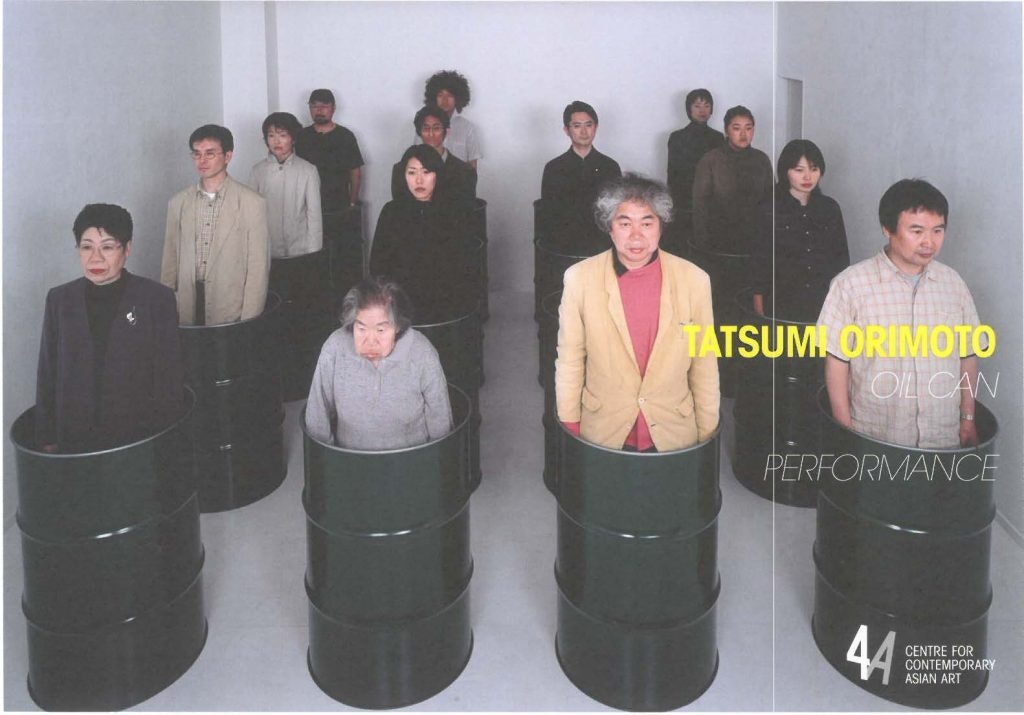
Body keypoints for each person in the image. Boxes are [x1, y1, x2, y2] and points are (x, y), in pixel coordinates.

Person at [555, 174, 720, 451]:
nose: (636, 236)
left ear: (660, 227)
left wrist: (707, 432)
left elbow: (704, 362)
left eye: (647, 223)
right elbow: (570, 359)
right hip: (602, 432)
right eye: (625, 223)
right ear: (610, 228)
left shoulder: (695, 280)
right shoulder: (579, 279)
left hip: (674, 433)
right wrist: (570, 425)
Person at [818, 179, 984, 449]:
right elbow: (836, 362)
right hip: (876, 434)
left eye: (937, 230)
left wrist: (967, 419)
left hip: (941, 436)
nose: (928, 242)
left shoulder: (953, 285)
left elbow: (968, 355)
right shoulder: (850, 285)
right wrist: (845, 430)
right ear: (887, 228)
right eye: (916, 231)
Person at [36, 204, 184, 453]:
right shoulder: (60, 300)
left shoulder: (156, 298)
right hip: (75, 436)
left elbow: (169, 381)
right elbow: (48, 374)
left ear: (127, 249)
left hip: (137, 437)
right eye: (86, 247)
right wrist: (47, 437)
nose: (96, 258)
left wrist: (163, 445)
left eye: (107, 246)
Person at [305, 277, 453, 450]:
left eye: (381, 330)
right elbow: (317, 415)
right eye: (361, 329)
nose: (370, 341)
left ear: (397, 326)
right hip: (350, 463)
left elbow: (440, 420)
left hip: (411, 464)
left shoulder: (422, 354)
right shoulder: (335, 348)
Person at [161, 124, 269, 325]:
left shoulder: (252, 203)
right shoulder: (178, 203)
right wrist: (168, 307)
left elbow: (258, 269)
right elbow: (170, 263)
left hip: (231, 304)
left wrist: (248, 320)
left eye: (210, 154)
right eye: (196, 154)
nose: (202, 160)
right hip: (186, 302)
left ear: (227, 156)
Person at [370, 145, 478, 322]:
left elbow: (465, 265)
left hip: (446, 303)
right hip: (401, 303)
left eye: (426, 172)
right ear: (403, 175)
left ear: (438, 174)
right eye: (412, 173)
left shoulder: (454, 211)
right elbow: (378, 264)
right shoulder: (392, 212)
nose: (418, 180)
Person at [751, 139, 849, 322]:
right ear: (785, 171)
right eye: (799, 170)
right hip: (782, 302)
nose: (808, 177)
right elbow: (759, 262)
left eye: (814, 169)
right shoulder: (767, 208)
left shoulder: (830, 208)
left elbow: (841, 261)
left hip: (824, 302)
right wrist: (759, 307)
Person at [540, 100, 622, 252]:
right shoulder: (554, 168)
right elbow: (548, 216)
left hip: (602, 244)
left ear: (596, 128)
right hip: (564, 245)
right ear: (566, 130)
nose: (584, 132)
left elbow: (617, 213)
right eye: (577, 126)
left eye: (588, 125)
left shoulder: (610, 167)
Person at [692, 105, 773, 253]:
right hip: (719, 239)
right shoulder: (711, 159)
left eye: (748, 128)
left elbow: (771, 200)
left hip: (756, 239)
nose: (743, 134)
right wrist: (702, 245)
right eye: (736, 128)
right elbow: (700, 207)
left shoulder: (762, 159)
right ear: (726, 130)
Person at [250, 111, 323, 258]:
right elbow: (251, 214)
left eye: (283, 135)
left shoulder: (308, 170)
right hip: (267, 248)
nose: (276, 141)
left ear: (293, 139)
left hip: (300, 248)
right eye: (271, 136)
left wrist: (314, 253)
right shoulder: (257, 171)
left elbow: (314, 215)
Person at [295, 88, 364, 212]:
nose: (319, 110)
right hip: (306, 202)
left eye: (324, 106)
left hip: (338, 202)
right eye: (314, 106)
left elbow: (355, 172)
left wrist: (353, 201)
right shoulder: (301, 136)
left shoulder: (345, 136)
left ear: (334, 108)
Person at [393, 104, 477, 203]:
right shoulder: (400, 170)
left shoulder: (465, 172)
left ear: (446, 131)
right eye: (426, 129)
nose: (431, 134)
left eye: (436, 128)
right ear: (419, 132)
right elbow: (400, 209)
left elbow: (466, 213)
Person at [667, 88, 724, 215]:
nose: (702, 110)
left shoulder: (718, 138)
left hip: (713, 202)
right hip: (684, 201)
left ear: (711, 109)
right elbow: (672, 174)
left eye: (707, 106)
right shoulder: (677, 137)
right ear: (689, 109)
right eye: (697, 106)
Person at [421, 70, 481, 169]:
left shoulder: (468, 128)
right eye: (440, 95)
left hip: (459, 182)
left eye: (450, 95)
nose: (445, 100)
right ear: (433, 98)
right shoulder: (424, 126)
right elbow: (416, 159)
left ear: (458, 98)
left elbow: (472, 166)